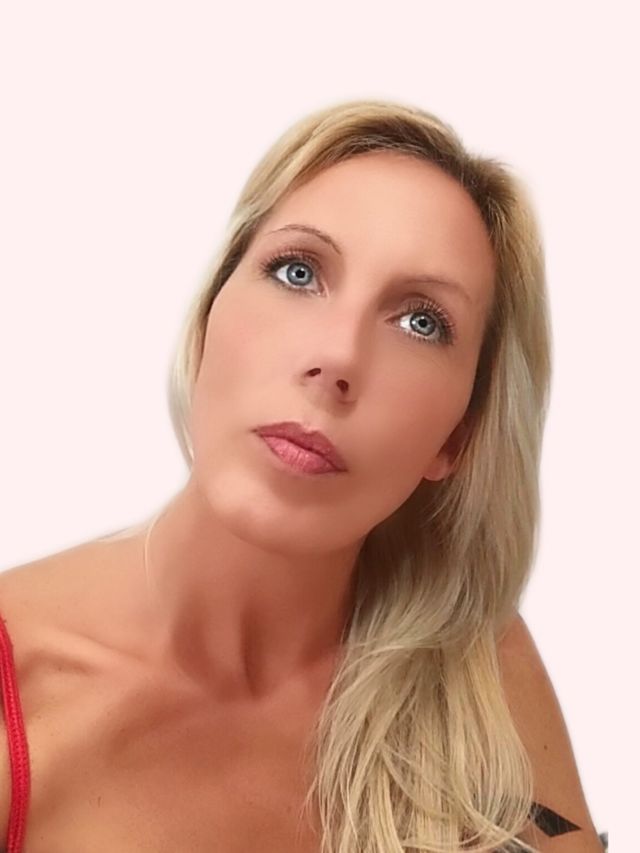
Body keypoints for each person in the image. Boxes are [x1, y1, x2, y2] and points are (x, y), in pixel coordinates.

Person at [0, 98, 605, 852]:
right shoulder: (22, 698)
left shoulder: (475, 677)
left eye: (420, 321)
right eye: (297, 271)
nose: (338, 358)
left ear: (458, 436)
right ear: (207, 318)